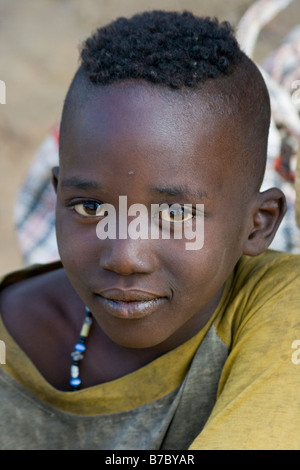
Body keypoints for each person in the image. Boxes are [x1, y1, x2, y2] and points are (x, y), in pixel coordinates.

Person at [0, 10, 300, 450]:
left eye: (176, 214)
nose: (125, 256)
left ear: (259, 225)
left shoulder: (281, 306)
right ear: (57, 195)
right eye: (90, 206)